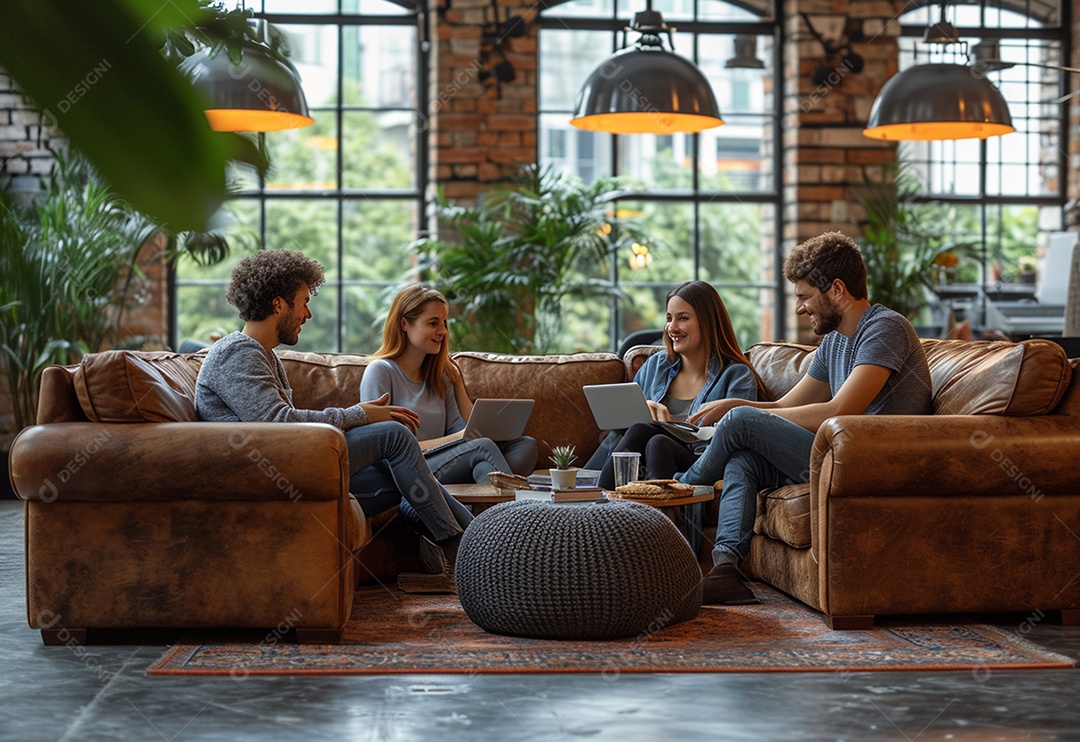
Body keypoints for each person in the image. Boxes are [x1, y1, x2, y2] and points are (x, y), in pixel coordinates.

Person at [678, 231, 933, 605]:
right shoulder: (834, 342)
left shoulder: (885, 328)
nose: (800, 308)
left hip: (873, 460)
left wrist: (742, 419)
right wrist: (733, 405)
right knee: (743, 459)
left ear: (837, 290)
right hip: (834, 457)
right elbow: (785, 406)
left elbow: (839, 411)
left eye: (803, 296)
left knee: (741, 424)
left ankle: (676, 490)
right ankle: (726, 571)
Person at [195, 249, 472, 593]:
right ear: (278, 304)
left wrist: (360, 418)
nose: (307, 314)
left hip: (284, 467)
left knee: (398, 466)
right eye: (303, 302)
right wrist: (360, 414)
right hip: (263, 474)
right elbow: (277, 423)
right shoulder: (238, 351)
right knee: (395, 436)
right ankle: (467, 553)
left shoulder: (264, 356)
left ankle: (479, 543)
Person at [587, 280, 766, 491]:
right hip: (647, 459)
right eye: (669, 318)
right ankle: (604, 499)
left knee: (656, 440)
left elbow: (732, 440)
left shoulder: (736, 376)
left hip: (700, 464)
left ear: (708, 323)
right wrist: (645, 410)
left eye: (683, 318)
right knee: (644, 433)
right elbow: (623, 431)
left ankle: (594, 500)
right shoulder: (655, 366)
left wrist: (672, 427)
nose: (672, 328)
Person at [361, 284, 539, 484]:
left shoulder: (440, 376)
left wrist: (457, 383)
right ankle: (511, 511)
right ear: (404, 324)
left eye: (444, 323)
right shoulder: (381, 371)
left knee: (525, 445)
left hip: (447, 464)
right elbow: (381, 448)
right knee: (482, 448)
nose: (443, 331)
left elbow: (466, 429)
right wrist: (459, 439)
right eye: (433, 323)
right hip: (407, 469)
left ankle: (482, 498)